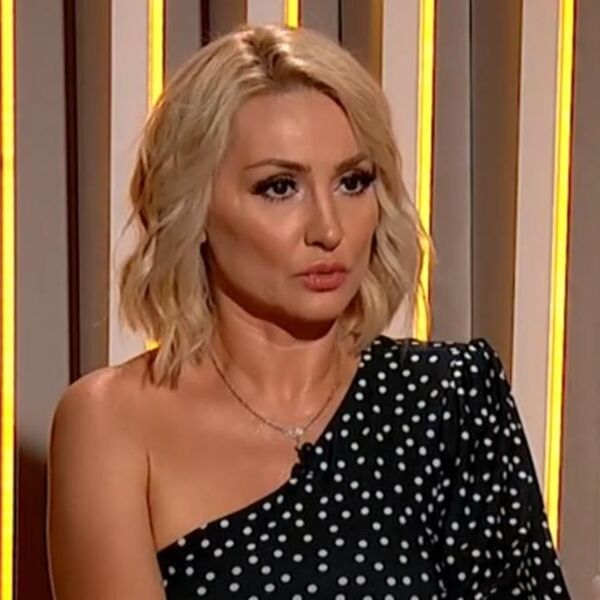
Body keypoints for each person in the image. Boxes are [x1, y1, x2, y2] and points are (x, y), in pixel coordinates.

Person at [46, 23, 571, 599]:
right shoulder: (113, 422)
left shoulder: (451, 398)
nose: (328, 229)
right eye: (279, 187)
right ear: (192, 207)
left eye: (352, 182)